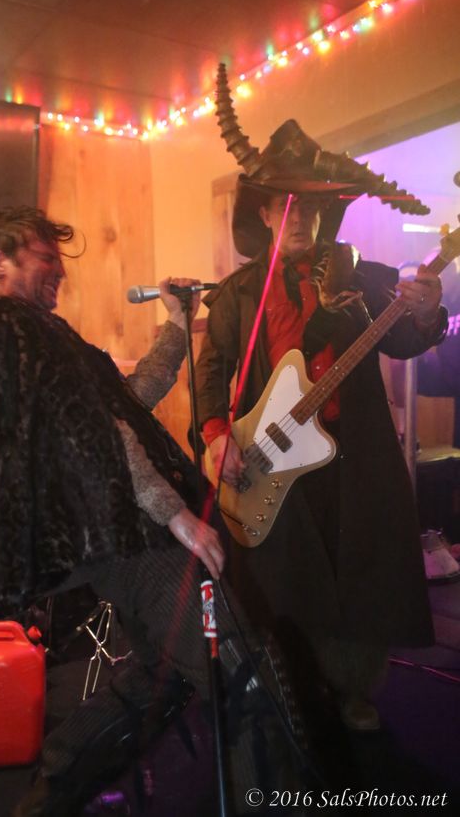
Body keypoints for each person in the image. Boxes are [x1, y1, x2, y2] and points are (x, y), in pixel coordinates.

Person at [0, 205, 309, 817]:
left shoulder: (39, 332)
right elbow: (93, 426)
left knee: (162, 677)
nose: (58, 271)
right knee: (243, 676)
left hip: (114, 532)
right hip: (128, 531)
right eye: (45, 258)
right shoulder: (2, 323)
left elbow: (128, 400)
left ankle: (51, 795)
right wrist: (173, 512)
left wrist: (176, 322)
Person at [195, 113, 447, 736]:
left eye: (309, 207)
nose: (299, 218)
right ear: (263, 213)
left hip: (354, 456)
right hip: (272, 456)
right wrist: (217, 435)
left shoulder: (359, 279)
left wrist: (427, 312)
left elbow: (405, 342)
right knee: (287, 580)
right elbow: (211, 369)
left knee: (360, 568)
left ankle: (357, 688)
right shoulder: (237, 294)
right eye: (286, 206)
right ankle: (297, 688)